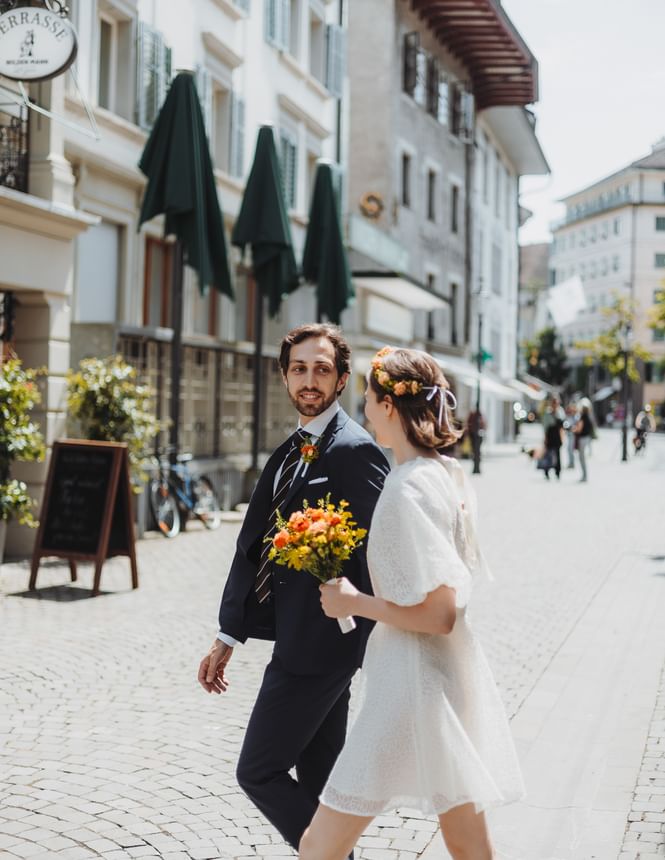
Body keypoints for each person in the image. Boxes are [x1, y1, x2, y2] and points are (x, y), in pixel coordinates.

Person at [299, 347, 524, 860]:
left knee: (319, 846)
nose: (364, 408)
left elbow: (441, 613)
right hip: (438, 683)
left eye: (369, 397)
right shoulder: (442, 474)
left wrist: (357, 602)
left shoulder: (407, 488)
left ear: (388, 406)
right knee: (469, 845)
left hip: (409, 688)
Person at [197, 324, 390, 854]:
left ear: (342, 379)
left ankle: (325, 853)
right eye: (300, 368)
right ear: (285, 375)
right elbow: (252, 545)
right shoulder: (288, 452)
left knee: (258, 770)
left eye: (322, 369)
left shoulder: (354, 451)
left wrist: (359, 633)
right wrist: (227, 637)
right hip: (297, 637)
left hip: (322, 648)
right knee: (323, 778)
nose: (310, 379)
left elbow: (384, 553)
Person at [541, 396, 565, 480]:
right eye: (554, 403)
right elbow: (545, 427)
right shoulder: (547, 413)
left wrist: (562, 437)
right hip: (550, 435)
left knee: (557, 454)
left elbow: (562, 426)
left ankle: (557, 472)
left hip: (557, 435)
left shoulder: (560, 412)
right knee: (548, 454)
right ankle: (546, 471)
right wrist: (545, 438)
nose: (555, 404)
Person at [574, 400, 594, 482]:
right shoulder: (589, 417)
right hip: (587, 438)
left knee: (581, 458)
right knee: (582, 457)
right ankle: (584, 475)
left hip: (582, 439)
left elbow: (579, 429)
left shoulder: (582, 417)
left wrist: (573, 429)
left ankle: (584, 476)